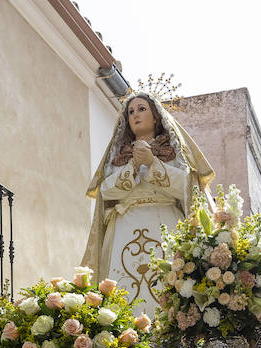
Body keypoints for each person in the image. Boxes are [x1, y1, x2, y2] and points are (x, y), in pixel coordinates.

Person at [81, 91, 213, 310]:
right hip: (125, 225)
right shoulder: (118, 155)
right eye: (131, 111)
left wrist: (153, 163)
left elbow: (187, 186)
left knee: (165, 282)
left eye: (142, 109)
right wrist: (132, 167)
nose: (135, 115)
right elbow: (105, 191)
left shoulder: (173, 150)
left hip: (165, 223)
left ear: (155, 117)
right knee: (123, 288)